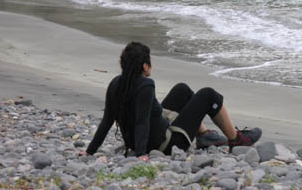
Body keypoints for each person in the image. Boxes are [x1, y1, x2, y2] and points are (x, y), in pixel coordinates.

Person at [81, 42, 262, 160]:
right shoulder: (146, 85)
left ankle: (205, 136)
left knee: (181, 90)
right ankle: (236, 139)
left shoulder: (115, 83)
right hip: (169, 143)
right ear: (145, 66)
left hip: (151, 134)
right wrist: (143, 154)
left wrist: (90, 150)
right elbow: (141, 121)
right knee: (208, 95)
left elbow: (107, 121)